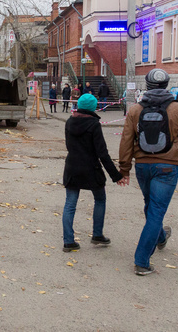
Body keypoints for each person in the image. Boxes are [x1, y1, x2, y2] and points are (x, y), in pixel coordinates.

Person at [118, 69, 178, 276]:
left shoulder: (135, 110)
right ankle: (141, 261)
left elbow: (126, 141)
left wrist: (124, 169)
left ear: (147, 86)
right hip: (167, 167)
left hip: (143, 166)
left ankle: (161, 238)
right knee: (156, 210)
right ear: (166, 85)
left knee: (151, 205)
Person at [62, 93, 123, 252]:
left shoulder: (69, 122)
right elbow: (102, 153)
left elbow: (69, 145)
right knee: (100, 199)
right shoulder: (94, 124)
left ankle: (68, 241)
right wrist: (115, 175)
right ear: (93, 107)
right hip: (91, 168)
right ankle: (97, 234)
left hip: (72, 167)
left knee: (70, 204)